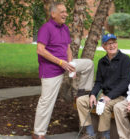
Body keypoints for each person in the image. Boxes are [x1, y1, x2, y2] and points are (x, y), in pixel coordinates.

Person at [32, 2, 94, 139]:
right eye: (62, 12)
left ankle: (83, 92)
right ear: (53, 14)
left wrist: (70, 65)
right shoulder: (46, 28)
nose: (66, 14)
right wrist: (61, 62)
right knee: (46, 101)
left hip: (65, 64)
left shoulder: (65, 28)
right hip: (50, 70)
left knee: (88, 64)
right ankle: (38, 133)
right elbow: (40, 50)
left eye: (66, 11)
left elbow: (68, 48)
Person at [76, 34, 130, 139]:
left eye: (114, 43)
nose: (112, 46)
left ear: (117, 43)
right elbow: (98, 82)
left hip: (119, 96)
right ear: (103, 46)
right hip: (104, 94)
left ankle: (104, 136)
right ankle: (90, 133)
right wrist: (93, 94)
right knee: (81, 101)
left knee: (104, 105)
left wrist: (108, 97)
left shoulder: (125, 59)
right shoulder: (102, 61)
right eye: (108, 44)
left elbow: (125, 83)